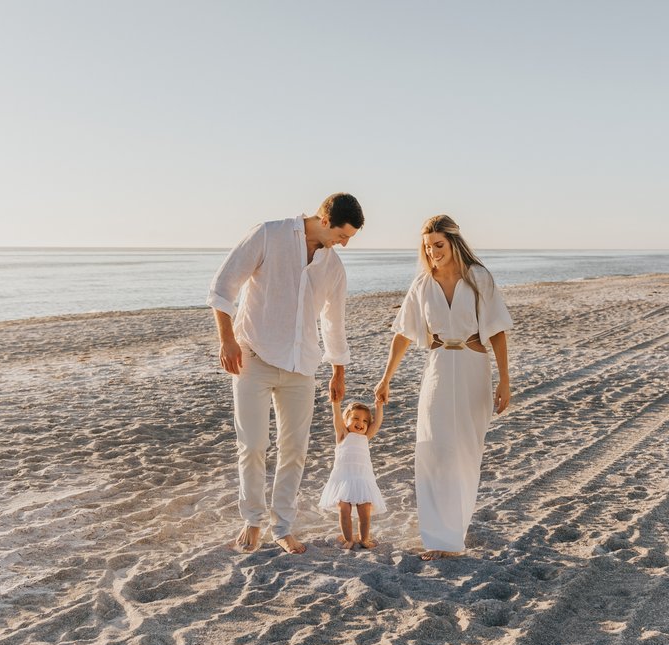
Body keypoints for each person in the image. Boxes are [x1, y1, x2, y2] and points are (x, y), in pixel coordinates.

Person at [208, 193, 364, 554]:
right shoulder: (268, 235)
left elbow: (333, 322)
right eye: (342, 236)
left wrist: (338, 370)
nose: (344, 244)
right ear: (325, 220)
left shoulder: (333, 267)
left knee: (294, 449)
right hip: (253, 356)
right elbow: (223, 286)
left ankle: (282, 526)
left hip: (302, 365)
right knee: (252, 445)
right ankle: (251, 521)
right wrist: (226, 340)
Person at [374, 215, 512, 561]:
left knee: (464, 453)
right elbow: (404, 333)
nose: (433, 252)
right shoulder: (422, 284)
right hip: (437, 369)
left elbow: (496, 331)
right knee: (434, 450)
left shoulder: (479, 279)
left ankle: (455, 533)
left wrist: (505, 380)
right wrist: (386, 377)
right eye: (427, 247)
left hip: (473, 368)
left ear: (453, 242)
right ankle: (438, 538)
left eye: (438, 245)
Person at [318, 398, 387, 549]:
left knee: (365, 512)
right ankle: (348, 538)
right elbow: (336, 417)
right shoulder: (343, 434)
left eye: (364, 421)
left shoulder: (365, 437)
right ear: (346, 420)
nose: (360, 423)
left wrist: (379, 406)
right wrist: (335, 403)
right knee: (344, 510)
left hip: (363, 478)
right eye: (355, 418)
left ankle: (364, 539)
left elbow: (377, 424)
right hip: (344, 479)